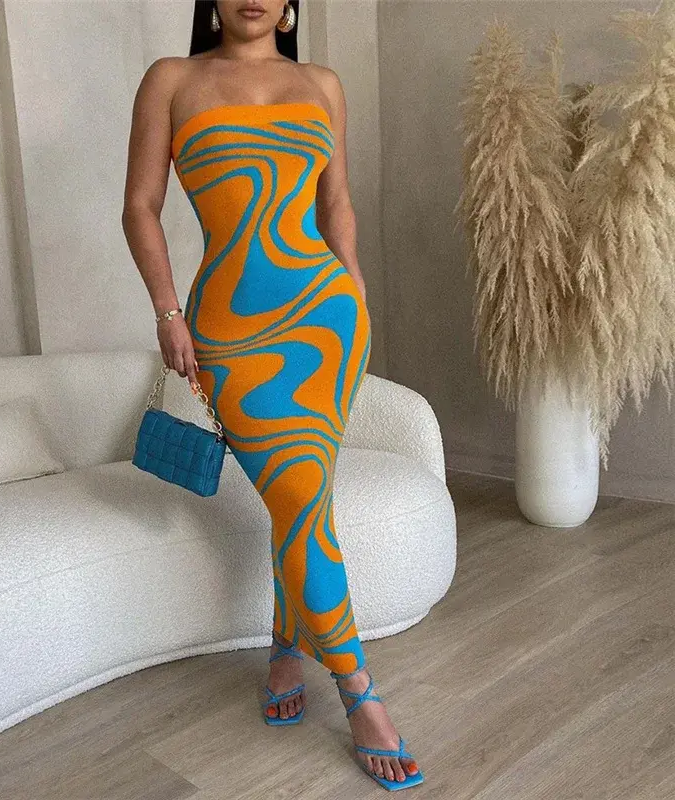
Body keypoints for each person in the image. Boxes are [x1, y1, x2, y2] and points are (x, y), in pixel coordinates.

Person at [121, 0, 423, 790]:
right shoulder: (172, 79)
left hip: (328, 322)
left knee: (303, 503)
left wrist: (357, 293)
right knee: (300, 502)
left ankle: (290, 649)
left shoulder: (323, 83)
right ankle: (359, 692)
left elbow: (337, 203)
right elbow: (139, 206)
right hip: (231, 331)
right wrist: (167, 313)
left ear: (291, 7)